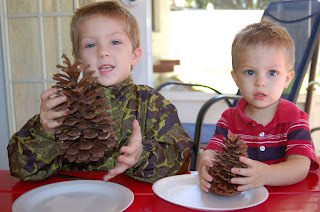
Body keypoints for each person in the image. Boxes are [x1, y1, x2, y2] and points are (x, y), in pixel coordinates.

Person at [7, 1, 193, 183]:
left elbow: (181, 160)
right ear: (79, 61)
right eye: (90, 45)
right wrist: (45, 133)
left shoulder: (151, 104)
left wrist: (141, 155)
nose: (103, 51)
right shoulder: (63, 107)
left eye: (115, 41)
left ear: (134, 55)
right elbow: (21, 170)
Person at [197, 18, 319, 193]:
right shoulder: (229, 119)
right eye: (250, 72)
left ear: (287, 79)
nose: (260, 82)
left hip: (286, 201)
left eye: (272, 73)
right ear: (236, 78)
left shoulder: (296, 119)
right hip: (241, 201)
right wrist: (204, 162)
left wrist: (268, 174)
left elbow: (301, 166)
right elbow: (211, 153)